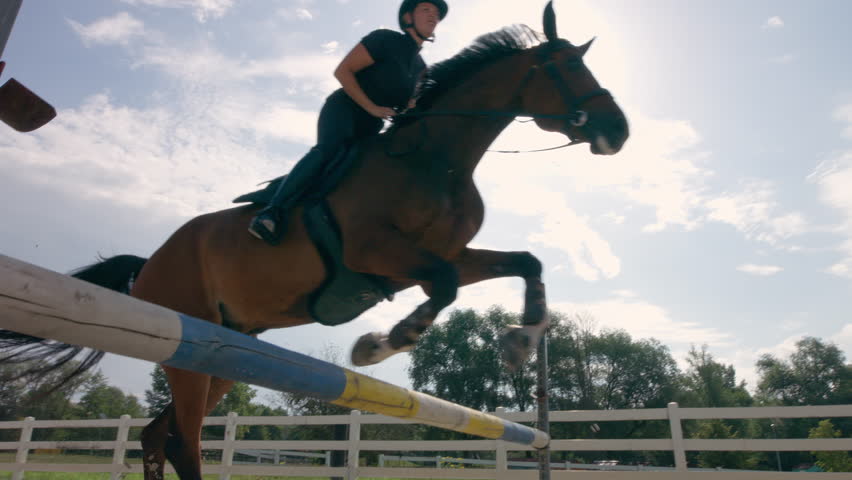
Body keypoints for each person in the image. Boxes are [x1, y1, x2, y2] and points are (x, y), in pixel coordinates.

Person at [248, 0, 448, 245]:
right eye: (426, 10)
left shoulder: (421, 70)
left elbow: (408, 107)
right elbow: (343, 71)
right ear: (408, 18)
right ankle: (270, 213)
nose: (433, 16)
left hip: (372, 126)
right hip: (345, 108)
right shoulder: (384, 39)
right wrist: (372, 107)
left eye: (437, 14)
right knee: (327, 151)